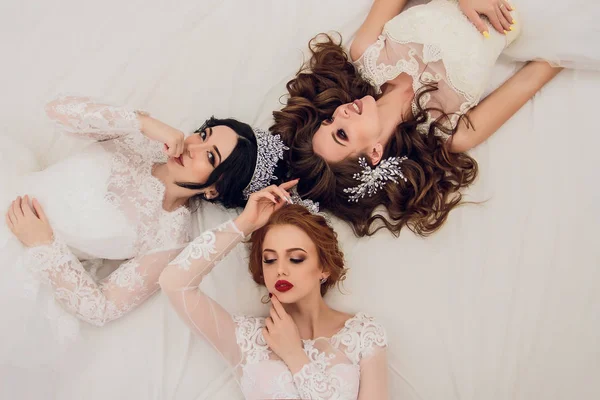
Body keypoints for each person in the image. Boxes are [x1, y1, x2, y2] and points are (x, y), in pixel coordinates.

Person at [1, 95, 287, 368]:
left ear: (214, 190)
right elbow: (57, 110)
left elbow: (102, 308)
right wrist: (143, 123)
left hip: (18, 253)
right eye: (203, 134)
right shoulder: (138, 137)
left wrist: (44, 244)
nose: (192, 147)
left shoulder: (169, 236)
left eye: (210, 157)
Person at [272, 0, 599, 237]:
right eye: (342, 133)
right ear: (373, 154)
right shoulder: (452, 132)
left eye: (328, 122)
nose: (339, 113)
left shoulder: (366, 52)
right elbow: (536, 74)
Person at [159, 182, 389, 399]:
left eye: (296, 258)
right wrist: (245, 223)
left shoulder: (362, 335)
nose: (280, 270)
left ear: (325, 268)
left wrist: (295, 355)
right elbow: (174, 282)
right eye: (269, 259)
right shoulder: (245, 337)